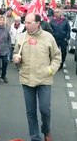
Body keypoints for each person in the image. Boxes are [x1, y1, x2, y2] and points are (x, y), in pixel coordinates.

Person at [13, 13, 61, 141]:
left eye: (29, 23)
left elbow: (57, 57)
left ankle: (46, 130)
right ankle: (35, 137)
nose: (26, 25)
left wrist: (50, 70)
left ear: (38, 23)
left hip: (44, 79)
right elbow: (15, 55)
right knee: (31, 112)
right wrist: (16, 59)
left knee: (45, 110)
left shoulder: (48, 37)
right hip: (26, 79)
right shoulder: (21, 37)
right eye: (25, 22)